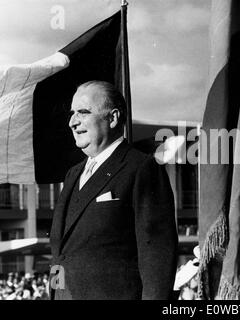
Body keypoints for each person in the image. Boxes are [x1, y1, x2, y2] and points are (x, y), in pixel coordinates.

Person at [49, 80, 178, 300]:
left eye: (83, 112)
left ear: (113, 117)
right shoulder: (73, 174)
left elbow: (156, 253)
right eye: (72, 113)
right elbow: (60, 253)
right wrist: (55, 292)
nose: (72, 122)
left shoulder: (141, 168)